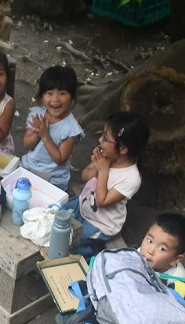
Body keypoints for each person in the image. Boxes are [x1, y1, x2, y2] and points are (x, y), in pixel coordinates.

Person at [64, 111, 150, 259]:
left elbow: (102, 201)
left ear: (123, 149)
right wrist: (97, 167)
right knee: (56, 215)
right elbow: (85, 175)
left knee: (74, 244)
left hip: (100, 222)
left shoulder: (131, 178)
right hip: (84, 204)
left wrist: (103, 171)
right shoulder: (107, 156)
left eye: (105, 137)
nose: (100, 139)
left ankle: (94, 252)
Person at [20, 66, 84, 191]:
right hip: (28, 167)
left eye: (62, 93)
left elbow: (60, 159)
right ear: (42, 96)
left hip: (53, 179)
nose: (55, 99)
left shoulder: (71, 128)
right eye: (49, 93)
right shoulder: (37, 115)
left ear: (72, 97)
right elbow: (27, 145)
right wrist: (37, 133)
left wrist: (45, 136)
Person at [139, 212, 185, 278]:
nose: (150, 251)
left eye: (162, 249)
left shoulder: (177, 280)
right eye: (150, 241)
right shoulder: (139, 253)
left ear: (175, 259)